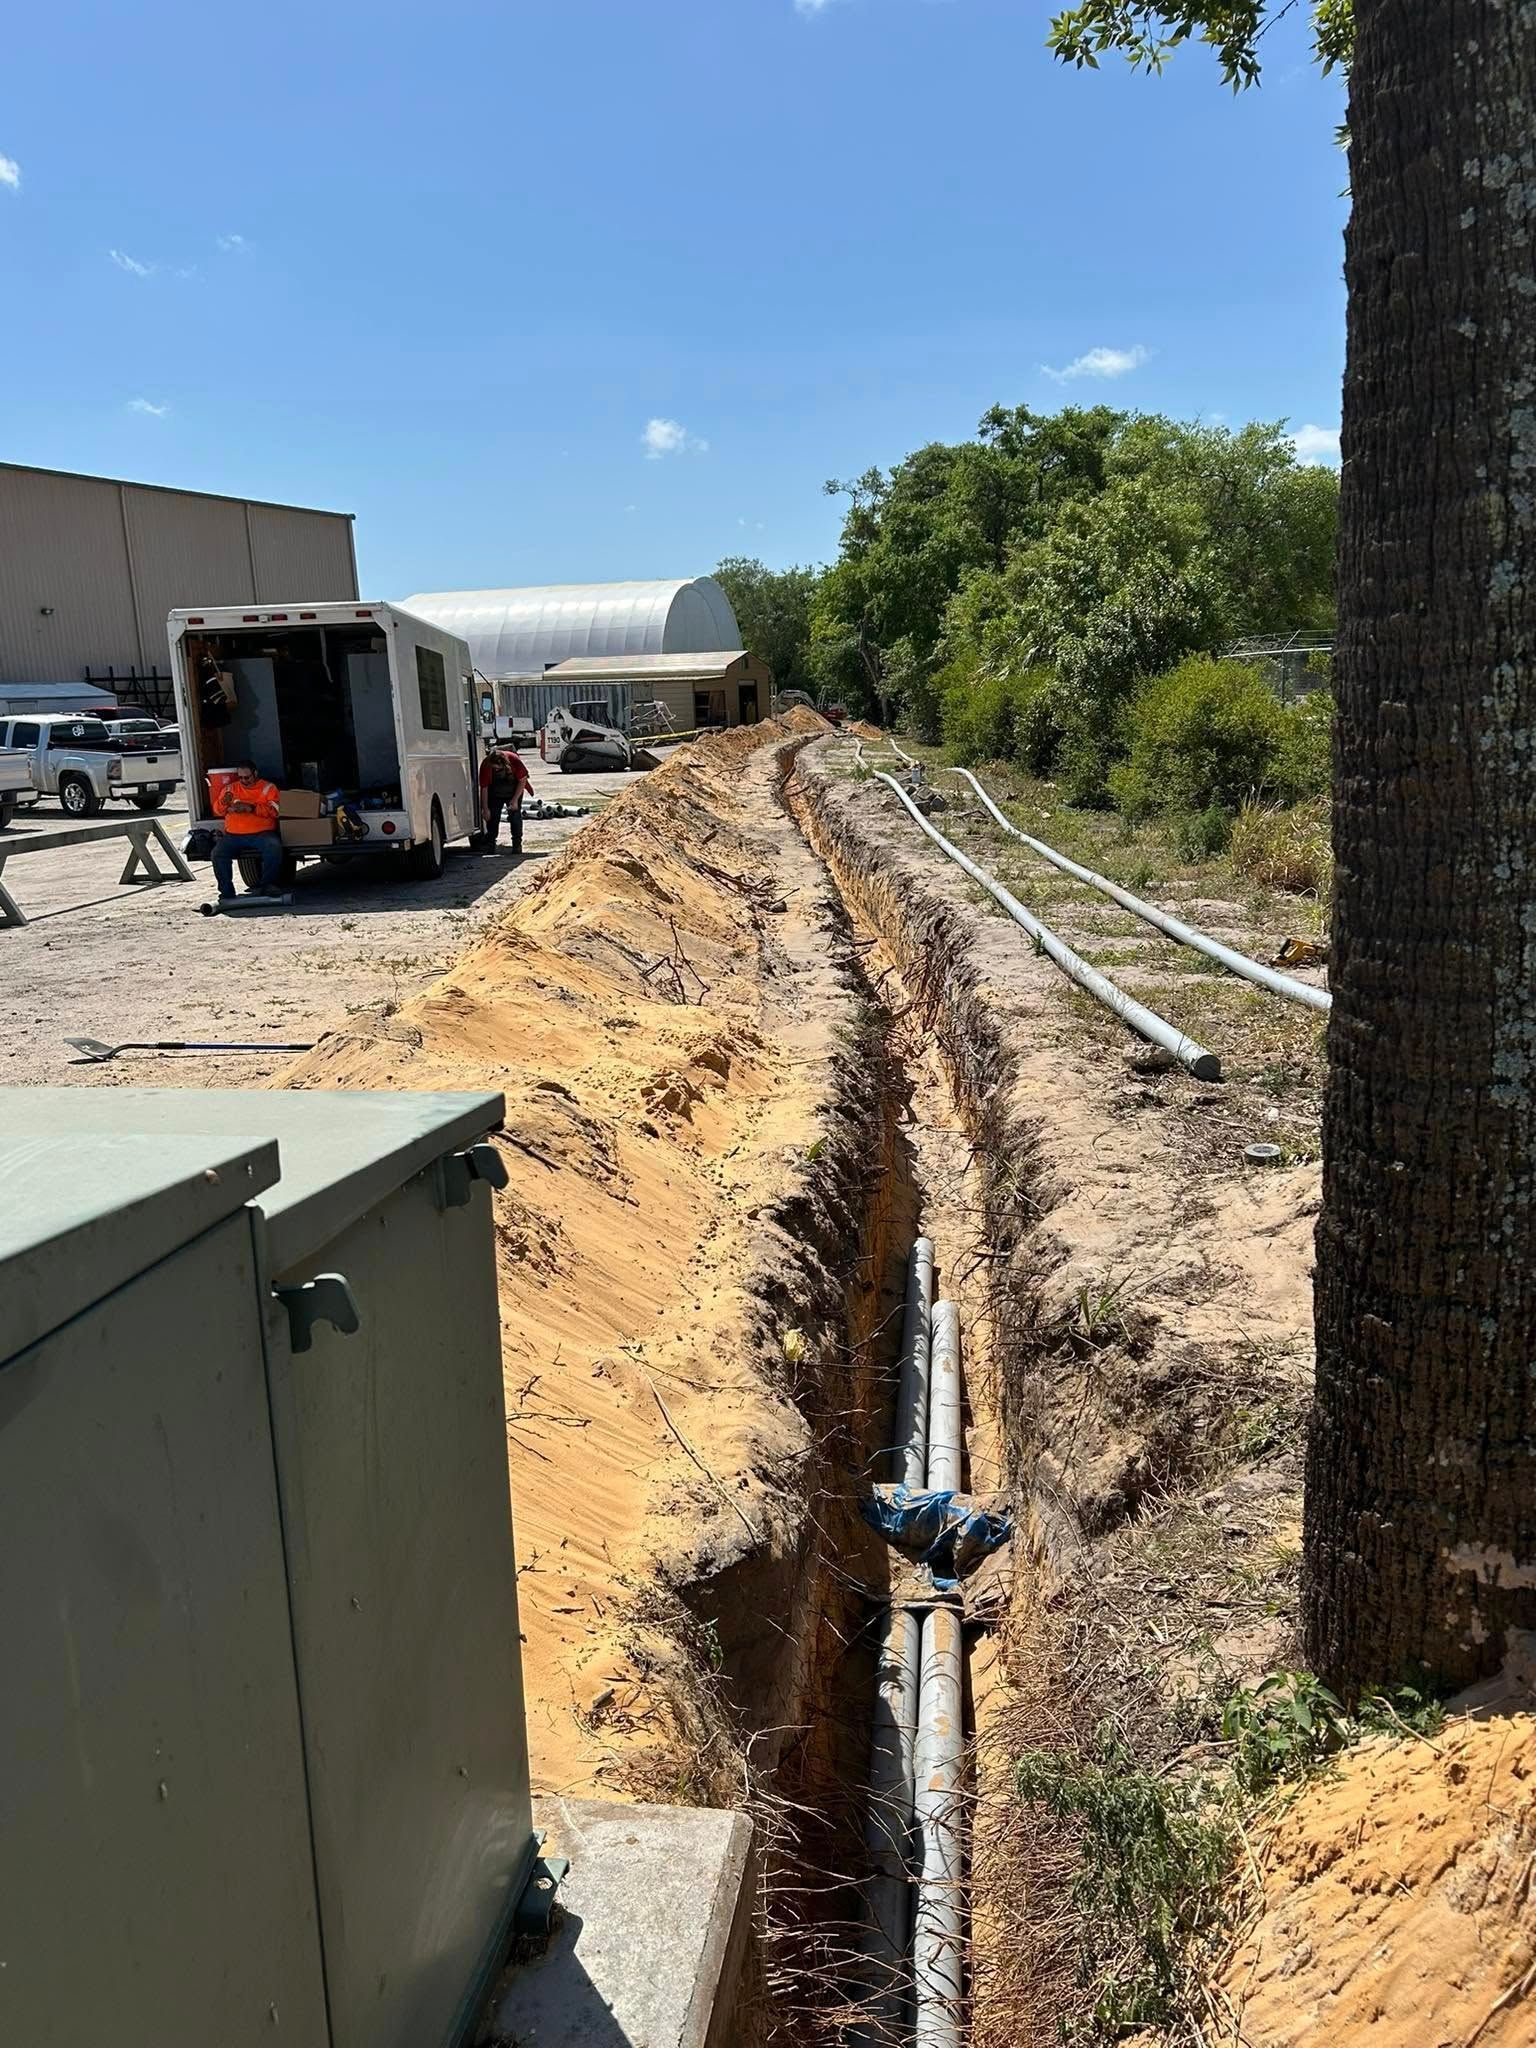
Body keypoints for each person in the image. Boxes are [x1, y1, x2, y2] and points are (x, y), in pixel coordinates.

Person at [209, 759, 285, 900]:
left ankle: (268, 885)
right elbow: (218, 810)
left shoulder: (268, 788)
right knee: (217, 853)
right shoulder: (230, 789)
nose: (244, 780)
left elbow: (276, 811)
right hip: (234, 835)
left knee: (273, 846)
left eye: (247, 777)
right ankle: (226, 893)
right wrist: (225, 803)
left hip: (262, 833)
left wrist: (252, 808)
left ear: (255, 773)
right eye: (241, 777)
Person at [479, 741, 531, 854]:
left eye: (498, 769)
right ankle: (490, 844)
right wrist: (485, 809)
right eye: (494, 769)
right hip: (495, 794)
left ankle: (517, 844)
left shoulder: (514, 760)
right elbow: (484, 788)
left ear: (505, 764)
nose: (496, 770)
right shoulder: (486, 765)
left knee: (515, 817)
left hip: (514, 791)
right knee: (493, 818)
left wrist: (515, 800)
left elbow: (522, 780)